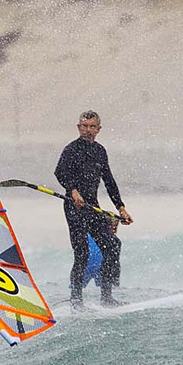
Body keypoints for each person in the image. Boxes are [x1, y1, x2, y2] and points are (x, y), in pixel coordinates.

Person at [55, 110, 132, 306]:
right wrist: (72, 191)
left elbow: (109, 181)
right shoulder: (71, 149)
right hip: (74, 207)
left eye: (92, 126)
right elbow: (60, 173)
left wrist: (120, 207)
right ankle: (76, 300)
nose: (87, 130)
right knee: (81, 252)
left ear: (98, 129)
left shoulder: (100, 151)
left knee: (112, 246)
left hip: (92, 207)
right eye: (84, 126)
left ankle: (106, 296)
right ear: (78, 127)